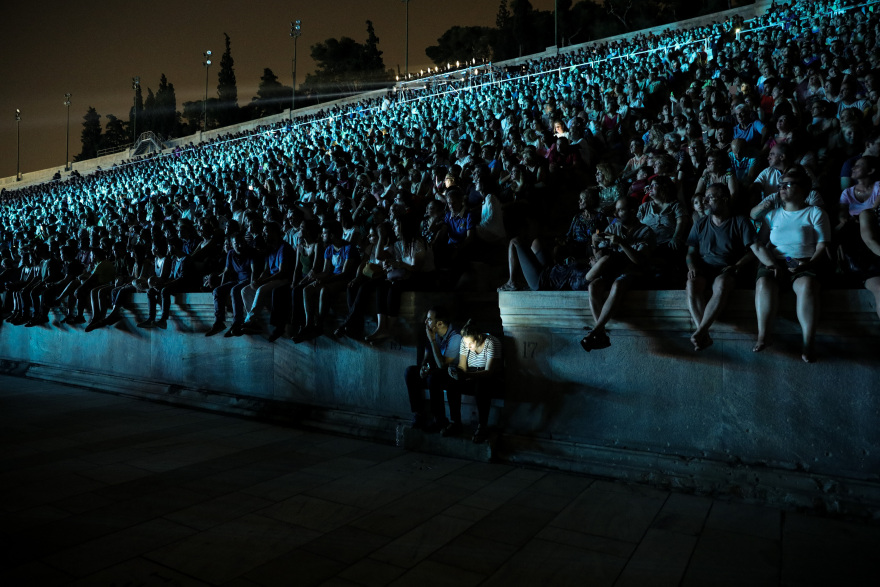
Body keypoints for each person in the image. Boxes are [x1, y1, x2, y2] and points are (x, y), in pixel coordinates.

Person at [754, 167, 831, 363]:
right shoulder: (772, 215)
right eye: (781, 185)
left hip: (803, 260)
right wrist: (770, 263)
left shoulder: (814, 212)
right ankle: (764, 335)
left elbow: (822, 245)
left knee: (807, 286)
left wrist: (808, 264)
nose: (782, 188)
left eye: (788, 185)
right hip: (776, 260)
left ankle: (808, 342)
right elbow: (760, 243)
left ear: (803, 189)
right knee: (764, 283)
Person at [685, 184, 765, 351]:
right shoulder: (700, 223)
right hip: (705, 268)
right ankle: (703, 333)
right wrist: (691, 265)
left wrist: (737, 265)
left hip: (729, 269)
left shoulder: (740, 221)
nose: (705, 201)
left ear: (724, 200)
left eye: (710, 198)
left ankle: (701, 332)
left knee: (721, 283)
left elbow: (753, 251)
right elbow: (690, 253)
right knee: (691, 284)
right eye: (705, 198)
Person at [580, 197, 655, 352]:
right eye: (616, 209)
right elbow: (601, 259)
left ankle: (595, 331)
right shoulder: (613, 228)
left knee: (618, 284)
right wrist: (594, 244)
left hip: (634, 273)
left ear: (633, 211)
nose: (616, 213)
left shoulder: (646, 231)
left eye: (621, 210)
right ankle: (600, 333)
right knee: (594, 286)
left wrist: (622, 243)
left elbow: (640, 261)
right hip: (612, 271)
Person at [442, 319, 502, 444]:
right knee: (452, 383)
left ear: (479, 337)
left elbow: (489, 372)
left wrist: (466, 374)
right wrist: (457, 373)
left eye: (471, 344)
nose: (468, 347)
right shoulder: (465, 342)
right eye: (466, 343)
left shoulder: (491, 342)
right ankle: (455, 422)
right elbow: (462, 365)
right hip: (470, 374)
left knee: (482, 385)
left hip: (488, 377)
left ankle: (482, 426)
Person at [404, 306, 462, 432]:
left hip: (455, 373)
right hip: (439, 369)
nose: (426, 322)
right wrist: (423, 367)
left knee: (434, 378)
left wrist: (432, 340)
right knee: (410, 372)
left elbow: (442, 365)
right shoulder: (432, 331)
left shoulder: (455, 336)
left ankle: (439, 419)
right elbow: (427, 355)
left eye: (429, 319)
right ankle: (419, 414)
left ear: (439, 323)